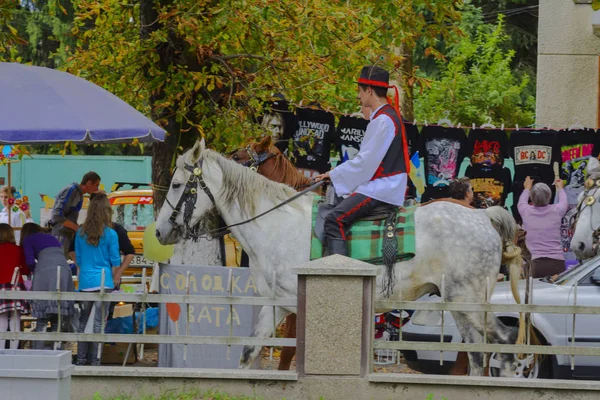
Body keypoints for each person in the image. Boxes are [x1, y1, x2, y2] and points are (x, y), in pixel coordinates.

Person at [315, 65, 410, 256]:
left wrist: (333, 175)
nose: (359, 97)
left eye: (359, 91)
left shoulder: (383, 121)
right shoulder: (386, 117)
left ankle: (340, 277)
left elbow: (365, 163)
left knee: (334, 220)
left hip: (381, 188)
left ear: (369, 90)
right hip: (384, 185)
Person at [74, 193, 120, 366]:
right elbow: (115, 260)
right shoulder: (111, 234)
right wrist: (114, 275)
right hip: (103, 281)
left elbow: (78, 260)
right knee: (99, 323)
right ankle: (96, 360)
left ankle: (80, 359)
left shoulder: (80, 233)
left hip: (85, 281)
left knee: (83, 320)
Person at [20, 222, 75, 349]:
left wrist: (34, 269)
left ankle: (38, 353)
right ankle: (57, 352)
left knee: (42, 319)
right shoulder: (51, 237)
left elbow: (29, 261)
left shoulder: (28, 239)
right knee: (57, 317)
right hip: (63, 271)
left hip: (45, 272)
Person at [517, 176, 568, 278]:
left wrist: (527, 187)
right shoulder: (557, 210)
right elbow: (564, 201)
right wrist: (561, 188)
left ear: (531, 198)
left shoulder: (525, 210)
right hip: (556, 263)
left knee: (532, 293)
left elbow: (522, 200)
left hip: (533, 263)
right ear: (549, 197)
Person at [50, 171, 101, 257]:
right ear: (89, 183)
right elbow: (57, 215)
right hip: (61, 234)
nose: (97, 189)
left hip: (66, 234)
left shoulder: (79, 195)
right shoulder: (72, 190)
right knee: (61, 263)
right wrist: (75, 228)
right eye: (96, 185)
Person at [0, 224, 29, 350]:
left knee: (2, 318)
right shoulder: (18, 249)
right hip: (16, 284)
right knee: (15, 318)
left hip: (1, 285)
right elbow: (26, 269)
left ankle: (1, 350)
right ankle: (13, 350)